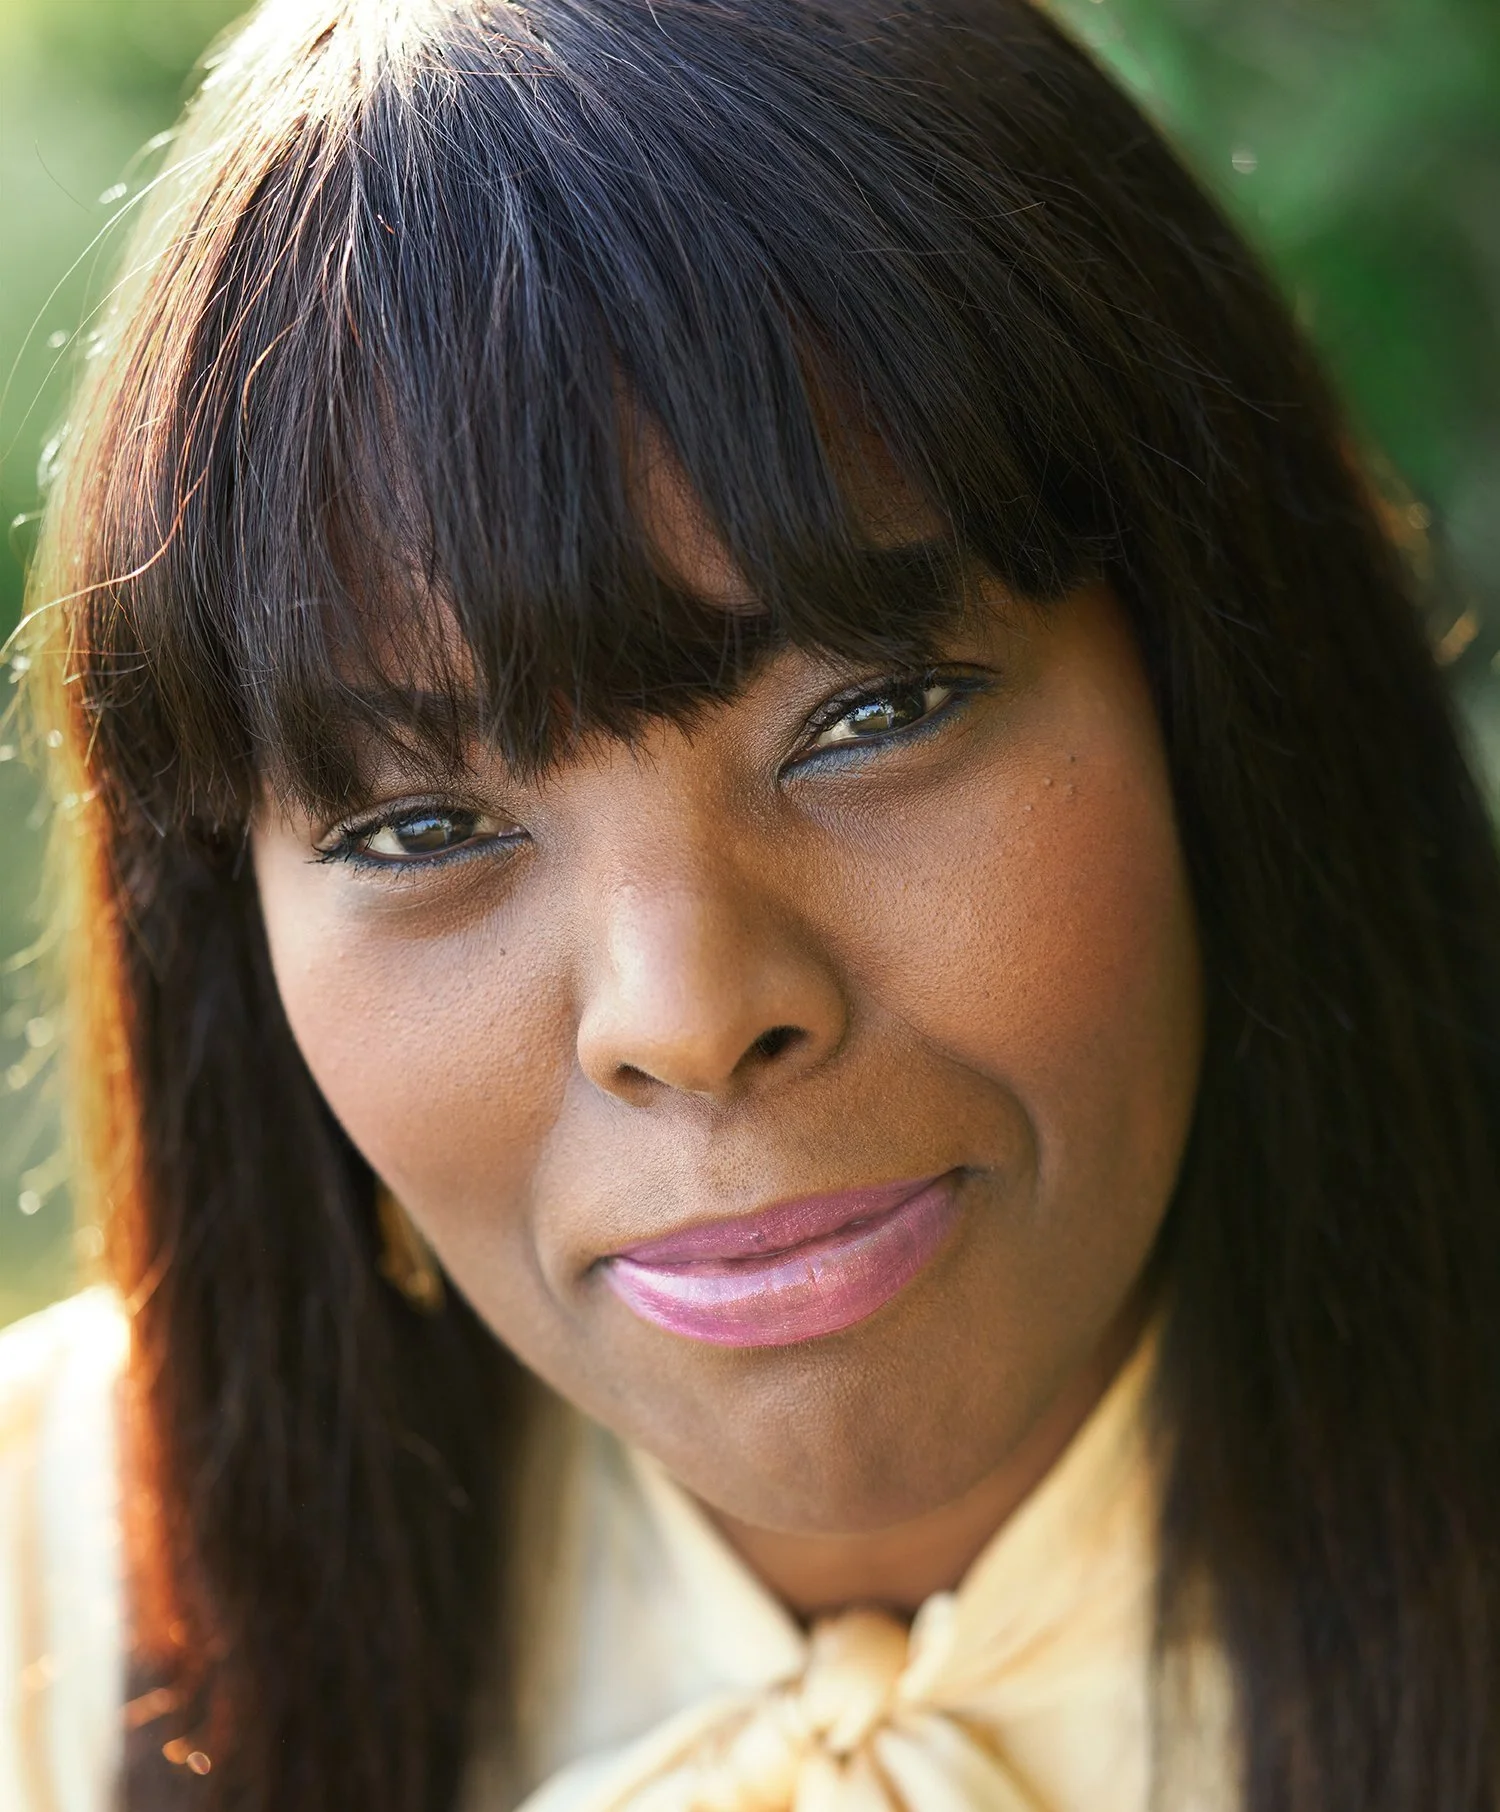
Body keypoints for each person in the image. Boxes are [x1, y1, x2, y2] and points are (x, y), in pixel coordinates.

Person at [2, 0, 1497, 1807]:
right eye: (422, 829)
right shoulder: (41, 1615)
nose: (689, 1013)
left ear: (1217, 694)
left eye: (875, 714)